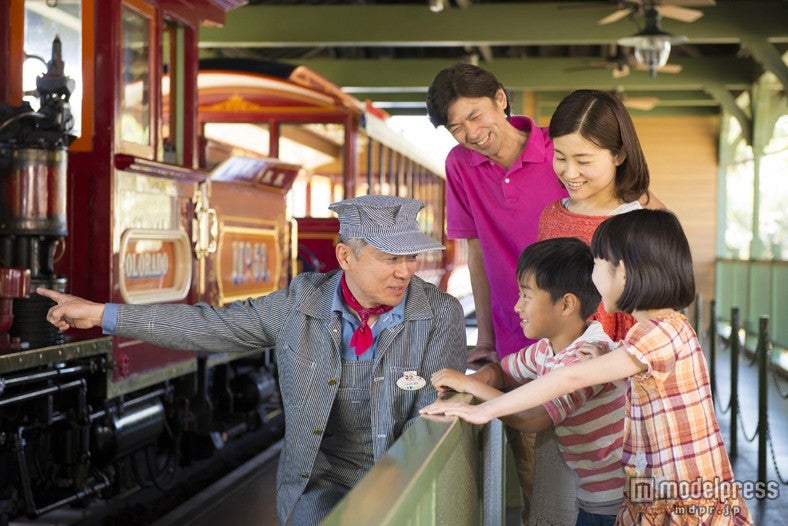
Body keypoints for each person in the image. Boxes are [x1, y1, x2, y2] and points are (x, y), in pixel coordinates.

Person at [37, 195, 468, 526]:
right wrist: (100, 315)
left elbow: (430, 422)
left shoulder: (439, 314)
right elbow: (207, 326)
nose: (406, 271)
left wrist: (389, 493)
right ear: (345, 258)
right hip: (319, 484)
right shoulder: (299, 303)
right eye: (391, 258)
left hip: (404, 474)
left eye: (411, 257)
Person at [421, 209, 753, 525]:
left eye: (598, 263)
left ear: (623, 272)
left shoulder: (660, 333)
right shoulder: (656, 332)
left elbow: (570, 377)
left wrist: (483, 409)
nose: (592, 279)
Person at [427, 63, 569, 522]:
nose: (470, 132)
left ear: (501, 100)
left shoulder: (561, 149)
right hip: (517, 344)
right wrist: (486, 341)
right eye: (455, 127)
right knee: (538, 487)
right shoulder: (460, 166)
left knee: (604, 472)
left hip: (586, 338)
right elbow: (477, 255)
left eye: (475, 115)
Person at [429, 237, 626, 526]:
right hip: (593, 492)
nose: (517, 307)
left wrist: (470, 385)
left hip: (615, 499)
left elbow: (532, 418)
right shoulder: (548, 348)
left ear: (567, 304)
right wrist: (475, 380)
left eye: (526, 296)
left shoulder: (588, 356)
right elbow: (502, 371)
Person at [537, 88, 659, 341]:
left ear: (619, 155)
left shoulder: (636, 227)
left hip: (616, 372)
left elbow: (650, 329)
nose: (570, 173)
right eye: (560, 157)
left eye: (583, 161)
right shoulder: (551, 217)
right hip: (553, 369)